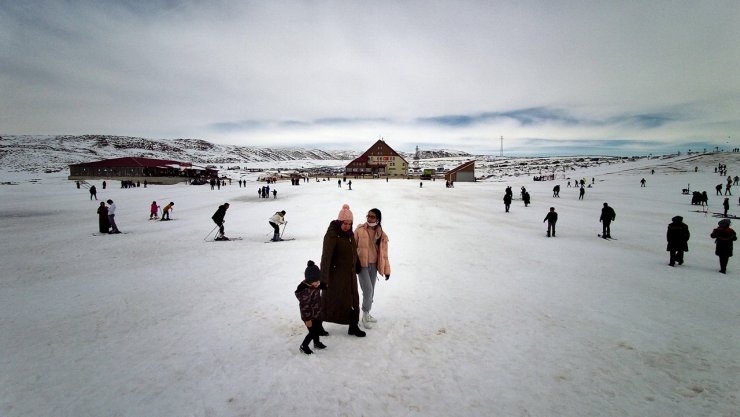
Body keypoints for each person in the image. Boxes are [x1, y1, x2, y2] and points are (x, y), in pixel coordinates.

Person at [320, 204, 365, 337]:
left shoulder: (350, 234)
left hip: (349, 275)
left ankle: (353, 325)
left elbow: (353, 250)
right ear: (339, 222)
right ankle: (317, 325)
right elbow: (326, 257)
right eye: (344, 223)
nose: (347, 226)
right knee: (330, 300)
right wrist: (324, 279)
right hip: (335, 276)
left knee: (353, 300)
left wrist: (357, 264)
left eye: (349, 223)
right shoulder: (332, 236)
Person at [355, 208, 391, 329]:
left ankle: (367, 313)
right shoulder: (359, 230)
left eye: (372, 217)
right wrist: (354, 263)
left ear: (378, 219)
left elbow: (384, 254)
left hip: (374, 265)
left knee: (371, 291)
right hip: (362, 265)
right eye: (368, 216)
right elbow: (352, 247)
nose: (369, 218)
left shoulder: (381, 234)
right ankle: (364, 315)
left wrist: (386, 271)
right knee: (368, 290)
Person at [295, 260, 327, 355]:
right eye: (315, 282)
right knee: (312, 332)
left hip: (316, 311)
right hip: (308, 315)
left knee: (317, 328)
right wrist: (308, 319)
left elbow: (320, 285)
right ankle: (304, 346)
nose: (317, 283)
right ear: (309, 281)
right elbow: (305, 307)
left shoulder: (314, 284)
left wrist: (324, 285)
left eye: (318, 281)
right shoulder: (304, 291)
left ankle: (316, 343)